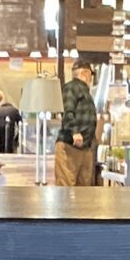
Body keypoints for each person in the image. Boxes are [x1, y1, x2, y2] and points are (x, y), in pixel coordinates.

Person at [54, 58, 99, 186]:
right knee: (66, 187)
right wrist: (75, 132)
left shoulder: (85, 92)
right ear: (85, 73)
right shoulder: (71, 87)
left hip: (85, 146)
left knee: (82, 191)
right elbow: (67, 111)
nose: (91, 79)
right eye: (91, 75)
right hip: (70, 145)